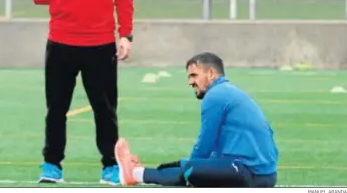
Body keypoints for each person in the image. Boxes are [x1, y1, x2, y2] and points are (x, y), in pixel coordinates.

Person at [32, 0, 133, 185]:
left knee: (105, 110)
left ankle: (110, 166)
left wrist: (125, 34)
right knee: (56, 109)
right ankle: (52, 165)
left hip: (100, 45)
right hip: (61, 43)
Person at [114, 52, 279, 188]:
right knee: (183, 166)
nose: (190, 82)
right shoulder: (227, 91)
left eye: (194, 75)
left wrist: (191, 169)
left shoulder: (215, 96)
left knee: (191, 170)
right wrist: (179, 165)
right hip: (259, 173)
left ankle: (134, 174)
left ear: (211, 74)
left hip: (251, 174)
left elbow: (204, 146)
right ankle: (139, 171)